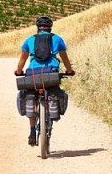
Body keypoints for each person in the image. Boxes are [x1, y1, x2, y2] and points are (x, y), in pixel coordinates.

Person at [14, 16, 75, 146]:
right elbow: (65, 59)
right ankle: (50, 114)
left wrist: (19, 72)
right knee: (54, 93)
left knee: (30, 95)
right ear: (50, 28)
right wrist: (69, 71)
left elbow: (22, 61)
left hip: (33, 74)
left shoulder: (30, 40)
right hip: (51, 73)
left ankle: (32, 131)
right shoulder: (57, 39)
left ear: (37, 28)